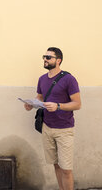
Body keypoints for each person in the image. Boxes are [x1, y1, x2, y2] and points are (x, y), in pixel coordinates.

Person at [24, 47, 81, 190]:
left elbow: (77, 104)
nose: (45, 59)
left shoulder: (69, 79)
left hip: (64, 129)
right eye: (44, 56)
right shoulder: (42, 79)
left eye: (48, 57)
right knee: (56, 164)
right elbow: (40, 98)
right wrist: (31, 105)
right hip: (47, 127)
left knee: (66, 169)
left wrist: (58, 106)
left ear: (58, 60)